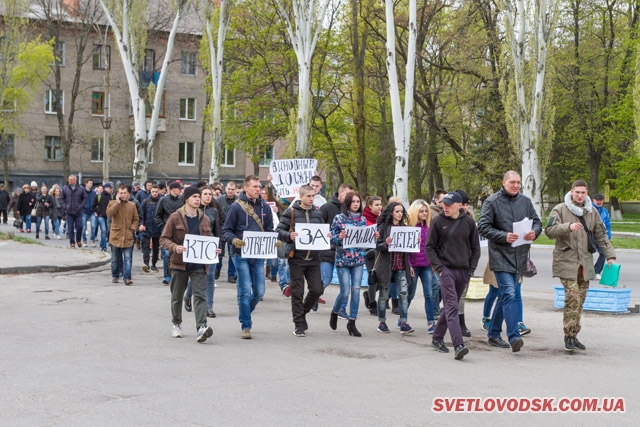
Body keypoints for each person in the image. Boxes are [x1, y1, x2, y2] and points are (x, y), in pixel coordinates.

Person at [544, 179, 616, 352]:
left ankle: (574, 335)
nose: (580, 195)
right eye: (577, 192)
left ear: (587, 193)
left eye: (583, 192)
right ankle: (568, 335)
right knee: (573, 297)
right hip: (566, 261)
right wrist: (567, 227)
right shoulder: (560, 209)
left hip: (585, 262)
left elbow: (601, 235)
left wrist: (610, 256)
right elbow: (548, 231)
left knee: (580, 299)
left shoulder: (592, 212)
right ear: (571, 191)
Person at [477, 171, 542, 353]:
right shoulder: (492, 202)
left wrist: (534, 232)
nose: (516, 185)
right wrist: (503, 236)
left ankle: (493, 333)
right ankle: (514, 336)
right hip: (500, 255)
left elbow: (537, 222)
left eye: (518, 183)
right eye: (512, 182)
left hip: (519, 256)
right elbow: (482, 227)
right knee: (510, 294)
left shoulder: (525, 201)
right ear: (503, 182)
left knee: (505, 296)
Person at [426, 192, 480, 360]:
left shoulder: (469, 222)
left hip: (463, 270)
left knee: (451, 305)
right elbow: (429, 247)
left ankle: (437, 337)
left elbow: (476, 248)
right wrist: (440, 268)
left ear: (459, 205)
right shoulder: (437, 222)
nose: (446, 207)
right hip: (446, 269)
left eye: (449, 204)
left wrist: (471, 269)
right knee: (452, 306)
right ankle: (459, 345)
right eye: (444, 204)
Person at [222, 175, 275, 339]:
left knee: (259, 291)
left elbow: (269, 229)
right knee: (245, 290)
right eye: (255, 187)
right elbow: (226, 230)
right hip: (240, 254)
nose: (258, 189)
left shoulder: (265, 207)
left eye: (259, 186)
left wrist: (274, 240)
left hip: (258, 255)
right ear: (246, 188)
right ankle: (246, 324)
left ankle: (244, 312)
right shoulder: (236, 207)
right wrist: (234, 240)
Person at [160, 185, 214, 343]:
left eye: (199, 197)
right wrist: (175, 247)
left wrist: (212, 250)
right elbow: (164, 239)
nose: (198, 199)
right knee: (177, 296)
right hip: (179, 264)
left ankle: (201, 327)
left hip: (198, 265)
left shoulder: (204, 219)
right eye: (194, 197)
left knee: (200, 296)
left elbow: (208, 240)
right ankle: (176, 323)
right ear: (186, 199)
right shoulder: (175, 217)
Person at [277, 185, 326, 337]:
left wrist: (327, 237)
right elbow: (279, 230)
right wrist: (288, 236)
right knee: (297, 292)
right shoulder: (291, 212)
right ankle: (298, 324)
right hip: (297, 258)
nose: (311, 199)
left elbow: (323, 231)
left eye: (313, 196)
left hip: (313, 259)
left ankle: (303, 312)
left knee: (317, 289)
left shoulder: (317, 213)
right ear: (301, 196)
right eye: (308, 196)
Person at [329, 192, 369, 337]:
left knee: (356, 290)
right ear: (347, 203)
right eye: (353, 202)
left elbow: (366, 239)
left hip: (358, 259)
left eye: (358, 201)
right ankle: (335, 311)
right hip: (343, 260)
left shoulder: (362, 220)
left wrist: (373, 236)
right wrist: (338, 237)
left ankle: (352, 321)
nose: (356, 204)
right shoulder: (339, 219)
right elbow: (331, 237)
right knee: (345, 292)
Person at [374, 201, 415, 335]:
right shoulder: (383, 228)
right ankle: (382, 322)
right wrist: (385, 243)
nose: (399, 214)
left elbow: (407, 249)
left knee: (403, 293)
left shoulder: (404, 228)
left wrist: (415, 242)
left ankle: (403, 322)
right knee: (384, 295)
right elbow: (377, 246)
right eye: (397, 211)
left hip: (401, 266)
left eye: (401, 211)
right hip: (386, 266)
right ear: (391, 212)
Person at [183, 186, 222, 318]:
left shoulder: (214, 211)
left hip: (210, 248)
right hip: (195, 248)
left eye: (209, 194)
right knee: (196, 276)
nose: (207, 196)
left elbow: (217, 230)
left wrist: (219, 247)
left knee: (210, 278)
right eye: (204, 194)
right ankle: (188, 296)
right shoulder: (193, 210)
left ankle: (209, 306)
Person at [320, 183, 354, 316]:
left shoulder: (353, 211)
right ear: (339, 193)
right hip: (328, 251)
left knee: (346, 284)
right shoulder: (326, 208)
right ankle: (314, 296)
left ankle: (341, 308)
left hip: (346, 253)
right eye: (347, 194)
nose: (349, 198)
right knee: (326, 279)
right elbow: (319, 227)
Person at [406, 199, 436, 333]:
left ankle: (431, 323)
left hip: (427, 265)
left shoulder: (429, 227)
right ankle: (402, 319)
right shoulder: (409, 227)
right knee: (409, 294)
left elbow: (434, 247)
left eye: (426, 211)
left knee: (429, 294)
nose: (424, 213)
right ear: (415, 212)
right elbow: (404, 250)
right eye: (421, 211)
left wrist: (434, 263)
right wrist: (409, 266)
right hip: (414, 265)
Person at [107, 184, 139, 285]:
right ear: (117, 194)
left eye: (124, 193)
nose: (123, 195)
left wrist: (132, 229)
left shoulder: (132, 205)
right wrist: (117, 202)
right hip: (116, 235)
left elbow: (136, 219)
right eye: (121, 193)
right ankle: (115, 275)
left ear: (128, 194)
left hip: (128, 235)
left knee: (128, 257)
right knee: (115, 258)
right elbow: (109, 214)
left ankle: (127, 277)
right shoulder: (112, 203)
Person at [155, 181, 185, 284]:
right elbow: (157, 216)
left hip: (180, 231)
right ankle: (167, 276)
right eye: (178, 188)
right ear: (172, 189)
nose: (180, 190)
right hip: (167, 231)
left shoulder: (182, 200)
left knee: (178, 253)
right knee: (167, 254)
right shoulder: (163, 200)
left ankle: (177, 275)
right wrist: (164, 227)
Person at [362, 196, 383, 315]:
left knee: (384, 279)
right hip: (369, 252)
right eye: (376, 205)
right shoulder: (364, 219)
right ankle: (372, 304)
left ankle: (369, 294)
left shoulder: (383, 218)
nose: (379, 207)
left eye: (380, 204)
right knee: (373, 278)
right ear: (370, 206)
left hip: (381, 251)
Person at [216, 181, 238, 282]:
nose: (230, 191)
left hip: (233, 230)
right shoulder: (219, 200)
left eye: (232, 190)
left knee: (232, 253)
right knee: (219, 252)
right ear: (225, 189)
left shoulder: (238, 201)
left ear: (235, 190)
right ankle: (217, 269)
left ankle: (231, 275)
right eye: (229, 189)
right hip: (220, 228)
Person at [60, 174, 88, 248]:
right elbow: (61, 198)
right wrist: (65, 207)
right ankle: (72, 242)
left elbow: (85, 198)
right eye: (69, 179)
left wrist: (81, 206)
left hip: (78, 212)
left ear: (75, 180)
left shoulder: (81, 188)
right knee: (70, 228)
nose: (69, 181)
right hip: (69, 212)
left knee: (80, 226)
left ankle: (78, 240)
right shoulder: (65, 188)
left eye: (71, 179)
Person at [140, 184, 162, 272]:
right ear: (150, 191)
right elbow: (141, 214)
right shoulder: (146, 201)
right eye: (153, 191)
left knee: (156, 248)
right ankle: (146, 264)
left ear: (158, 191)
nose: (154, 193)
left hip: (157, 228)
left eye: (156, 192)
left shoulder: (161, 201)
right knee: (146, 247)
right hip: (147, 227)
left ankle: (154, 264)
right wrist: (142, 224)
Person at [591, 194, 612, 280]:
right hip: (590, 236)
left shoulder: (605, 211)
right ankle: (586, 271)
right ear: (593, 200)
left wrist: (609, 234)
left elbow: (607, 224)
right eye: (597, 200)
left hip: (601, 236)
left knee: (603, 253)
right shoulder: (589, 209)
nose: (599, 202)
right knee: (587, 253)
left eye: (601, 200)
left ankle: (597, 271)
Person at [92, 182, 115, 251]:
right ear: (106, 188)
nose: (111, 189)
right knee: (104, 230)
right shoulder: (99, 196)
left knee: (107, 231)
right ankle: (104, 247)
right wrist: (98, 211)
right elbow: (93, 206)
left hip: (109, 216)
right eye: (110, 188)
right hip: (101, 216)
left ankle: (102, 244)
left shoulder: (111, 196)